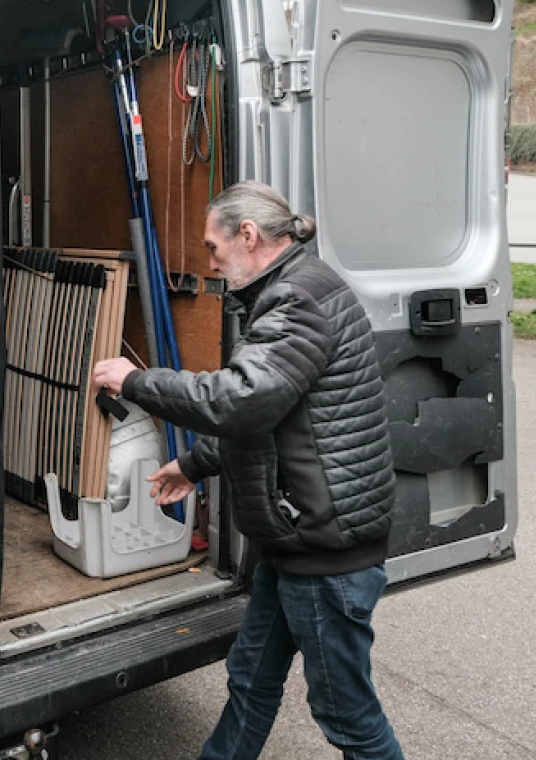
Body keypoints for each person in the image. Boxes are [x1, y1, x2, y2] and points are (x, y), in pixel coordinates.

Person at [92, 180, 404, 760]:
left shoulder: (298, 300)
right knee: (251, 680)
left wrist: (136, 382)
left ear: (249, 235)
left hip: (323, 555)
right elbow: (274, 420)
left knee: (347, 717)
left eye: (213, 248)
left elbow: (243, 399)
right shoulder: (290, 290)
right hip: (291, 543)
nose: (210, 263)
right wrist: (193, 463)